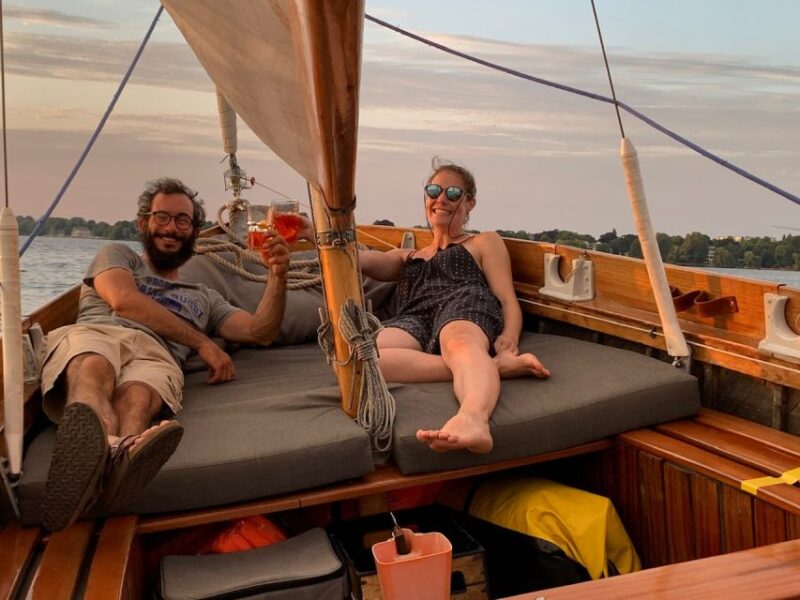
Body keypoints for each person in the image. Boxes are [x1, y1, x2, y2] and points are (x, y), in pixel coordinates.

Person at [39, 177, 312, 531]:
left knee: (138, 397)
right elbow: (124, 302)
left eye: (183, 221)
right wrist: (201, 342)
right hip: (101, 332)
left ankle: (96, 468)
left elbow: (259, 332)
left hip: (158, 355)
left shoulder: (205, 297)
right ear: (143, 223)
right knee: (93, 366)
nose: (172, 228)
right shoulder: (118, 257)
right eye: (162, 217)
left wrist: (278, 274)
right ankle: (114, 457)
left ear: (194, 232)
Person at [359, 159, 549, 454]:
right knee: (360, 357)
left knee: (459, 342)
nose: (441, 199)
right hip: (416, 318)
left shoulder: (483, 242)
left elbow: (507, 298)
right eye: (434, 190)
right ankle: (491, 368)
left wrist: (509, 338)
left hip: (463, 303)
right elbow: (357, 259)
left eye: (453, 193)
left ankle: (473, 419)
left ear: (470, 203)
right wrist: (312, 233)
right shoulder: (407, 256)